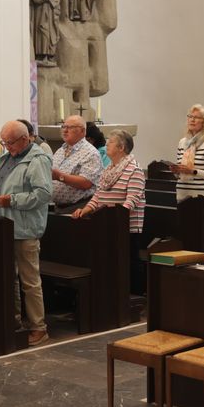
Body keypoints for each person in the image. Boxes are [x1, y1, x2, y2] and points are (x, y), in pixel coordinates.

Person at [0, 120, 54, 346]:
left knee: (29, 281)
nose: (6, 147)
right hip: (2, 225)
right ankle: (14, 321)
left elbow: (44, 194)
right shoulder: (6, 158)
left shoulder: (37, 160)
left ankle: (39, 327)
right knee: (10, 279)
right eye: (4, 142)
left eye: (10, 143)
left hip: (24, 229)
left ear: (25, 139)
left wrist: (11, 200)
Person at [74, 130, 147, 294]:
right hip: (107, 225)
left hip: (127, 228)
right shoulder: (108, 169)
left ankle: (134, 297)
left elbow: (132, 200)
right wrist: (85, 210)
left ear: (121, 147)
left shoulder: (134, 170)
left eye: (110, 142)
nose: (106, 145)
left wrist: (116, 218)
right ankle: (114, 294)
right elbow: (98, 196)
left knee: (129, 262)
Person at [172, 104, 204, 211]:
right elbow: (180, 174)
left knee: (201, 228)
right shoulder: (183, 142)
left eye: (196, 117)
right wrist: (176, 171)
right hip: (182, 196)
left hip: (202, 199)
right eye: (190, 116)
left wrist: (193, 171)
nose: (192, 120)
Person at [50, 115, 103, 210]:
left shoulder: (91, 153)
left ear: (82, 131)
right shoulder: (60, 151)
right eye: (64, 127)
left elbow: (86, 183)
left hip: (79, 207)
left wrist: (59, 176)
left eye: (70, 127)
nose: (65, 130)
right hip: (58, 207)